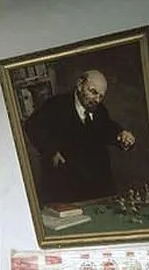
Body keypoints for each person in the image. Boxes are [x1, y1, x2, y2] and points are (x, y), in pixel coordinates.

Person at [25, 69, 135, 205]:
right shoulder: (56, 105)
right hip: (66, 184)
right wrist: (51, 151)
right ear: (79, 85)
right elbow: (32, 126)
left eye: (101, 96)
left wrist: (121, 134)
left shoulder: (99, 109)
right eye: (93, 92)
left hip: (97, 185)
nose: (97, 100)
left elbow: (107, 127)